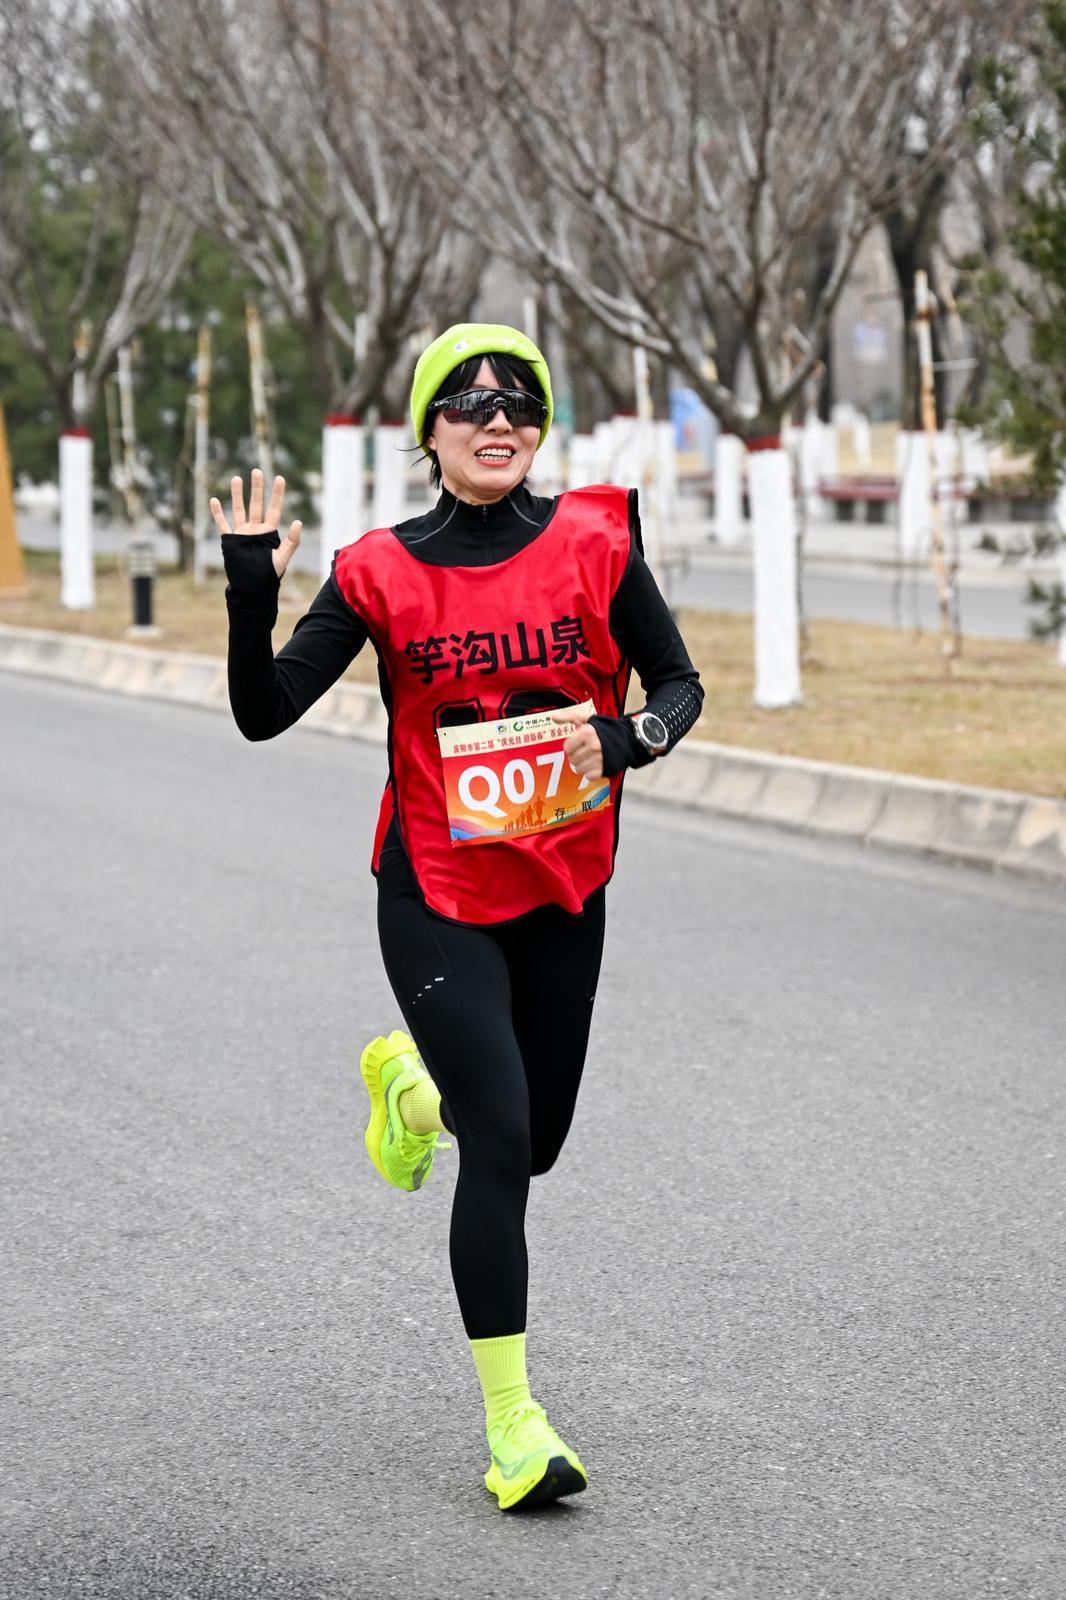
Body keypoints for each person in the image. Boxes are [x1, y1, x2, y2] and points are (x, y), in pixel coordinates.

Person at [213, 323, 704, 1512]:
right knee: (499, 1142)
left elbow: (678, 684)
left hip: (563, 879)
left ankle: (409, 1089)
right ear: (429, 432)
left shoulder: (596, 542)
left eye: (520, 400)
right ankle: (514, 1426)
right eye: (470, 401)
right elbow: (263, 711)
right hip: (433, 886)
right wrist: (248, 597)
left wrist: (630, 736)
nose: (498, 418)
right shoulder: (378, 569)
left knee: (532, 1138)